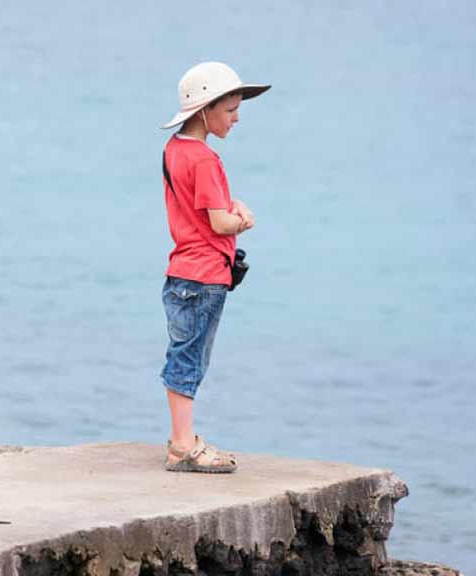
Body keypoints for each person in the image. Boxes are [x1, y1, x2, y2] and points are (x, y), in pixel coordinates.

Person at [159, 62, 270, 473]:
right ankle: (184, 446)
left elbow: (195, 208)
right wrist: (243, 218)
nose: (237, 118)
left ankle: (180, 438)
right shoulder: (206, 159)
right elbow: (218, 222)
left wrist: (229, 208)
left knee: (183, 353)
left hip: (181, 271)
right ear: (205, 110)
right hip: (203, 275)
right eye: (230, 109)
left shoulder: (175, 149)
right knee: (190, 360)